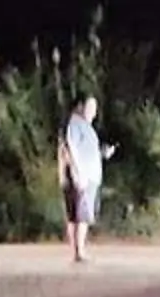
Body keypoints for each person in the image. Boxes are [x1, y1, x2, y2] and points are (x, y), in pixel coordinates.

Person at [58, 95, 115, 263]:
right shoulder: (76, 125)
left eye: (94, 108)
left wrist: (103, 153)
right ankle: (79, 252)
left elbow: (87, 152)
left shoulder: (86, 127)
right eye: (90, 107)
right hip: (84, 176)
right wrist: (77, 172)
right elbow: (71, 150)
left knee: (78, 215)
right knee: (81, 215)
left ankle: (78, 251)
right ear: (81, 106)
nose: (93, 112)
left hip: (87, 175)